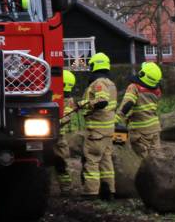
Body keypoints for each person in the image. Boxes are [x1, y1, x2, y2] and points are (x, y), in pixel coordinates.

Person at [78, 52, 118, 200]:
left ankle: (91, 193)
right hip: (108, 129)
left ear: (95, 66)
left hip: (96, 129)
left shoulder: (98, 84)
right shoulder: (111, 84)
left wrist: (83, 104)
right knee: (106, 161)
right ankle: (109, 192)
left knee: (92, 161)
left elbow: (102, 102)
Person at [115, 62, 163, 158]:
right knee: (156, 158)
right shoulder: (157, 90)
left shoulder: (134, 87)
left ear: (142, 74)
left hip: (140, 130)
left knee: (142, 159)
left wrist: (116, 119)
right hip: (155, 128)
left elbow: (127, 104)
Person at [53, 69, 77, 192]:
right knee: (59, 163)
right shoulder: (57, 96)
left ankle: (66, 188)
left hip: (58, 136)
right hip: (54, 135)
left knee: (61, 163)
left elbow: (66, 118)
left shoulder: (68, 101)